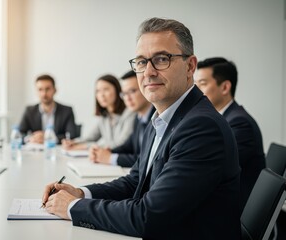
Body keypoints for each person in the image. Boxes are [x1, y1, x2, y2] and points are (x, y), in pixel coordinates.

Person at [42, 18, 241, 239]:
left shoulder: (201, 127)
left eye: (161, 59)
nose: (148, 72)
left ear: (190, 66)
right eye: (141, 62)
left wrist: (73, 207)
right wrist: (81, 193)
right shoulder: (161, 117)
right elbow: (136, 181)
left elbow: (150, 217)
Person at [195, 57, 266, 211]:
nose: (195, 90)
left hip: (232, 212)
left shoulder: (239, 123)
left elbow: (209, 169)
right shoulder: (224, 118)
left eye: (202, 84)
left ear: (225, 87)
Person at [89, 70, 154, 167]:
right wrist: (106, 152)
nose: (127, 98)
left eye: (132, 91)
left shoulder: (157, 118)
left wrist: (110, 158)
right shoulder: (139, 118)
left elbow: (149, 160)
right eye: (124, 94)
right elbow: (128, 146)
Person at [62, 74, 135, 150]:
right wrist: (73, 142)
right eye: (98, 91)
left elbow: (120, 144)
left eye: (106, 89)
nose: (101, 95)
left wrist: (85, 146)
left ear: (118, 90)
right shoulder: (105, 116)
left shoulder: (130, 112)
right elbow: (91, 137)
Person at [19, 74, 77, 144]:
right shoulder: (29, 111)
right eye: (40, 89)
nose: (44, 94)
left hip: (57, 151)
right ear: (36, 92)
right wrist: (30, 138)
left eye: (47, 89)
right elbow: (19, 134)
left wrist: (48, 138)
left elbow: (72, 135)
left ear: (55, 90)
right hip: (35, 152)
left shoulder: (67, 111)